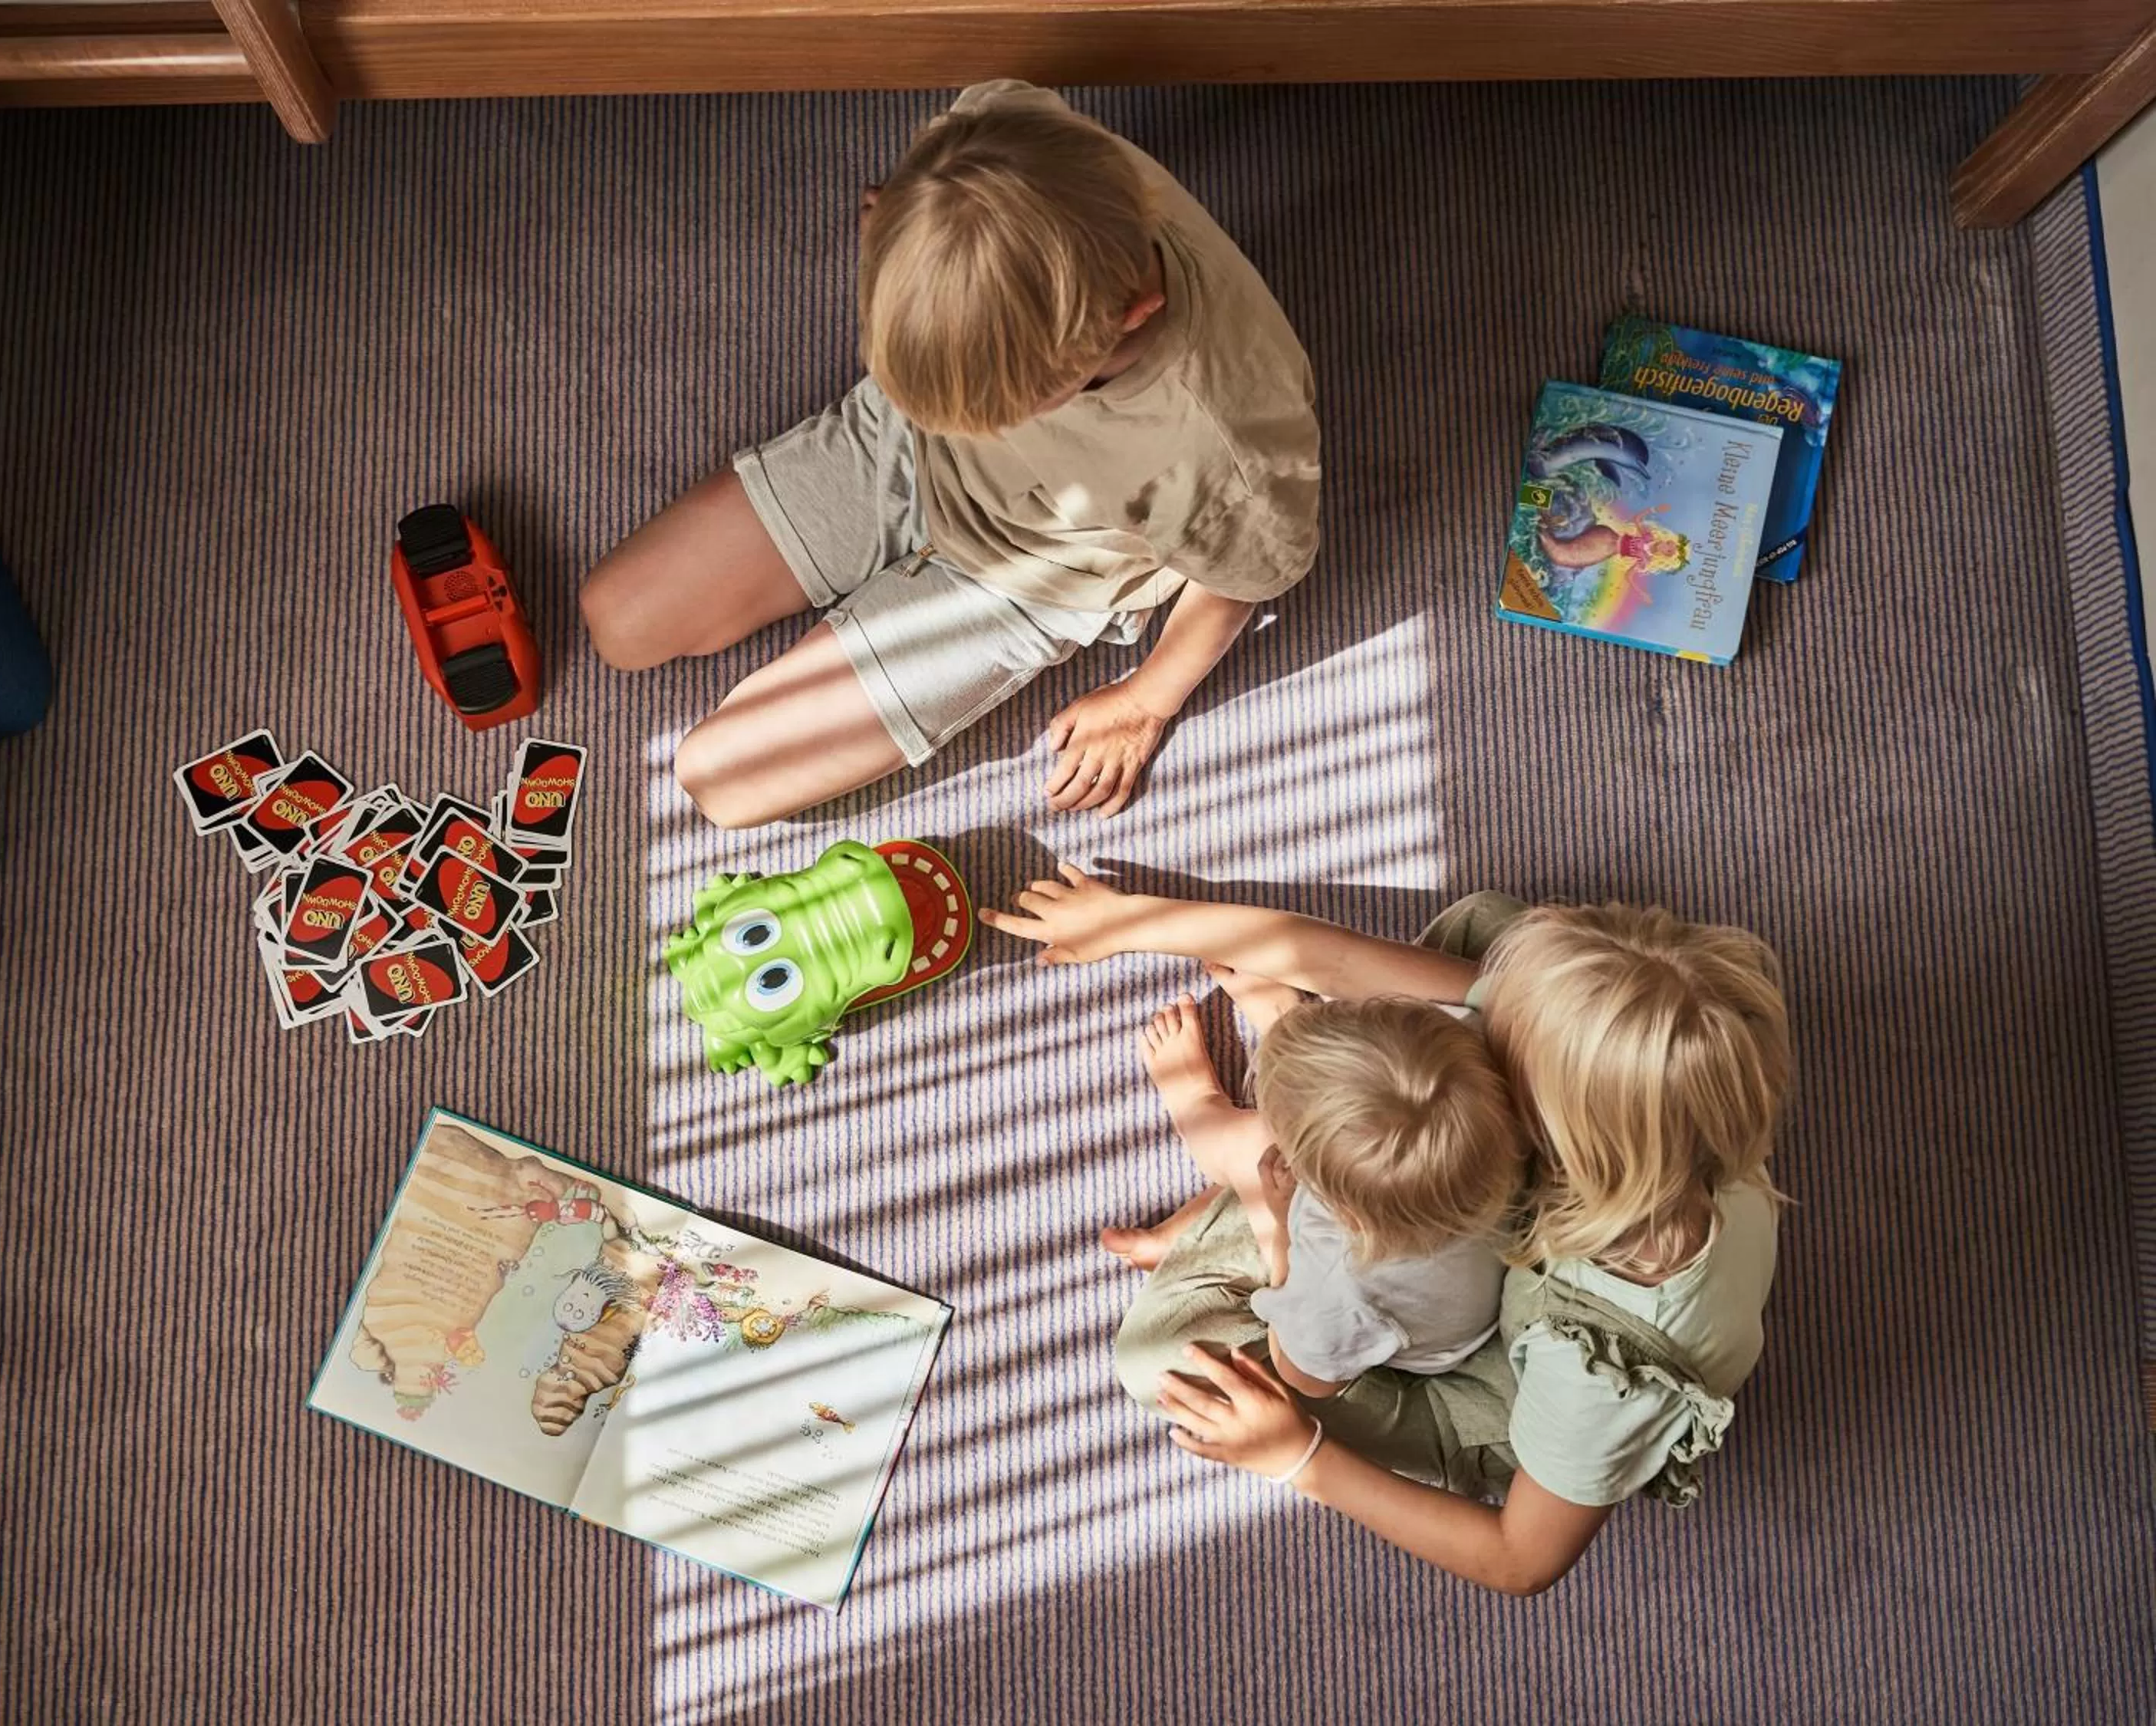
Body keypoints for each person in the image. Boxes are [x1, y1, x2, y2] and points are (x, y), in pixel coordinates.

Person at [983, 872, 1791, 1596]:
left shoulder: (1600, 1370)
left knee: (1166, 1355)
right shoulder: (1649, 1107)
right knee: (1487, 929)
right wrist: (1131, 920)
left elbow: (1520, 1560)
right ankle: (1285, 1151)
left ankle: (1259, 1172)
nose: (1484, 1022)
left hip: (1494, 1367)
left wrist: (1298, 1457)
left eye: (1498, 1047)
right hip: (1485, 1209)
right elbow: (1324, 956)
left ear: (1548, 1127)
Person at [579, 81, 1320, 828]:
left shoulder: (1225, 450)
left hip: (1034, 578)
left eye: (1009, 410)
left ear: (1129, 319)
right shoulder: (995, 135)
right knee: (617, 621)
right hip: (898, 443)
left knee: (720, 780)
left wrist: (1144, 701)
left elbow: (1236, 582)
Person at [1108, 976, 1526, 1500]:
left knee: (1155, 1360)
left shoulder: (1342, 1285)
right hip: (1452, 1260)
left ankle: (1205, 1117)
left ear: (1334, 1205)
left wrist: (1279, 1227)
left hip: (1393, 1347)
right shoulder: (1481, 1082)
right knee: (1348, 1123)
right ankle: (1274, 1063)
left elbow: (1301, 1372)